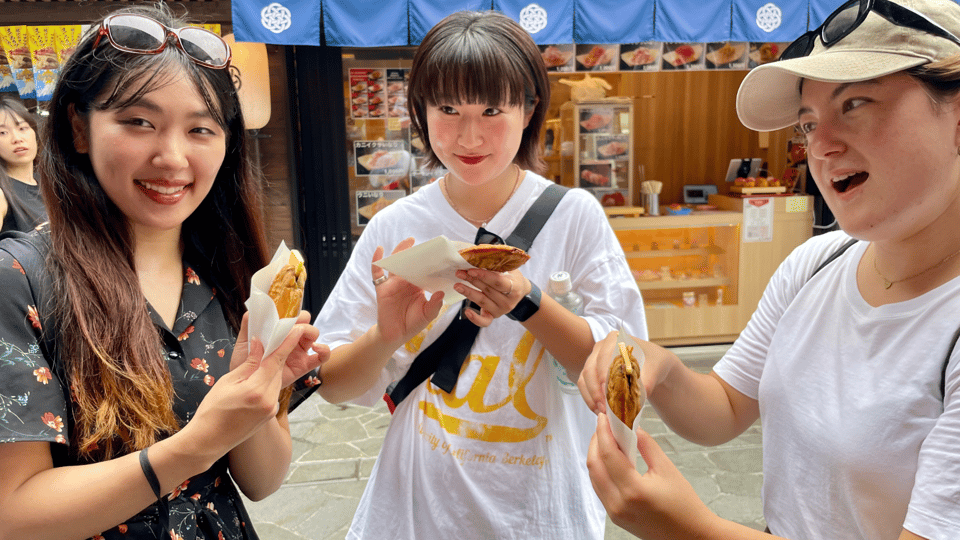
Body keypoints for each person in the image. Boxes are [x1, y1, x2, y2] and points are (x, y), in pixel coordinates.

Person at [581, 0, 960, 539]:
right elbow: (728, 406)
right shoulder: (816, 263)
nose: (821, 146)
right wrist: (657, 365)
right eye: (808, 123)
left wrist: (693, 530)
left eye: (855, 103)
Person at [311, 10, 647, 540]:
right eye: (447, 108)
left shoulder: (574, 215)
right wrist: (387, 334)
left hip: (541, 511)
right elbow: (330, 385)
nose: (469, 135)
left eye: (492, 109)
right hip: (414, 509)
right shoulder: (394, 228)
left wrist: (528, 301)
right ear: (420, 111)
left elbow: (623, 371)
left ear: (530, 107)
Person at [0, 4, 327, 539]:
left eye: (201, 129)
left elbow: (263, 481)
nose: (173, 157)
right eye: (139, 122)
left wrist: (256, 395)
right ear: (79, 128)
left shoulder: (237, 277)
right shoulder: (18, 282)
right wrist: (193, 446)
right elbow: (12, 515)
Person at [0, 96, 46, 233]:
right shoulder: (2, 193)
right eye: (2, 132)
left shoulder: (51, 185)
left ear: (35, 134)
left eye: (22, 128)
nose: (17, 139)